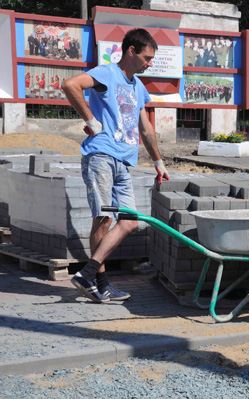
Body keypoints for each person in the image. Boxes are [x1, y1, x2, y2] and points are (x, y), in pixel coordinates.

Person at [62, 28, 170, 303]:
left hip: (123, 162)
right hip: (101, 157)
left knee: (130, 221)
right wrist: (91, 121)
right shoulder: (107, 73)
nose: (150, 63)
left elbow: (146, 129)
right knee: (104, 218)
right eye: (147, 57)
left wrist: (158, 161)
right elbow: (70, 85)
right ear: (131, 51)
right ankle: (101, 283)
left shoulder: (138, 86)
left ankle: (87, 275)